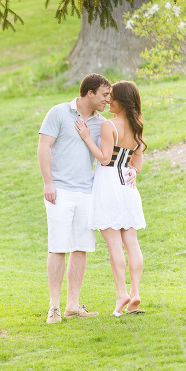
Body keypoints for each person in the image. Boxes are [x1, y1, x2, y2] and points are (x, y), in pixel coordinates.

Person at [37, 73, 137, 324]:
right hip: (59, 190)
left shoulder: (102, 123)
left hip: (87, 192)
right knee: (58, 247)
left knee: (80, 247)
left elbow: (116, 154)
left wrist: (133, 169)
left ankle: (72, 305)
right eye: (104, 95)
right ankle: (54, 307)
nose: (108, 99)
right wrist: (48, 182)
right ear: (89, 93)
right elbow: (43, 147)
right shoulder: (59, 113)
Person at [74, 80, 146, 317]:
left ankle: (122, 294)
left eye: (112, 97)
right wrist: (133, 171)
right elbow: (137, 164)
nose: (108, 100)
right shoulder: (137, 127)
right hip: (127, 186)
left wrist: (86, 137)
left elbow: (104, 159)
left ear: (122, 101)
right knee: (132, 243)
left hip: (108, 185)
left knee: (114, 245)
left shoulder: (109, 126)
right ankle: (135, 293)